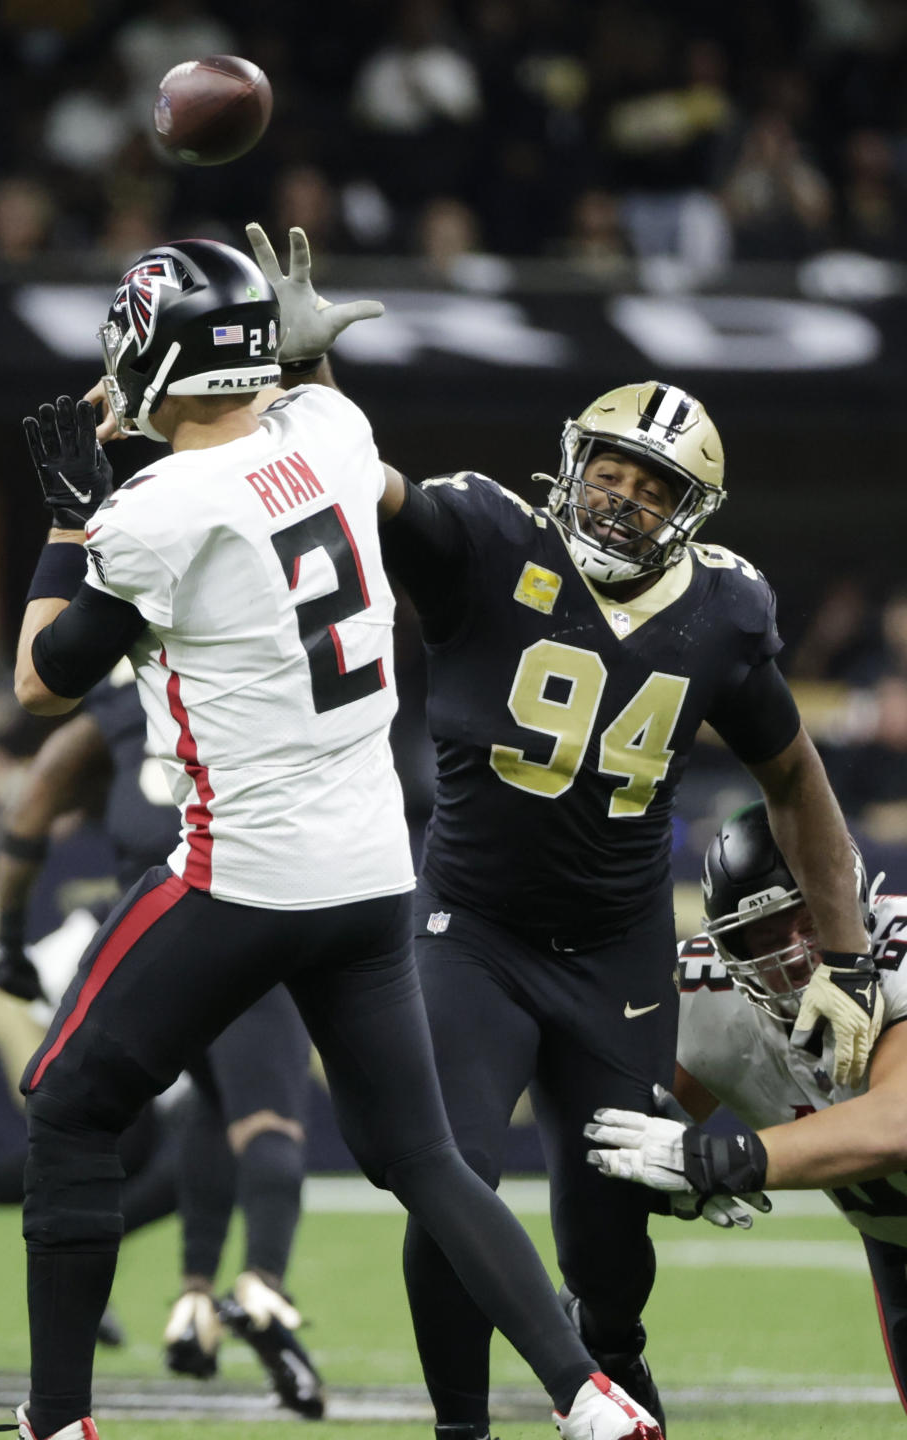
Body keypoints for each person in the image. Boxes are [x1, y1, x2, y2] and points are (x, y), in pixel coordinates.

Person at [3, 232, 663, 1440]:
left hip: (241, 868)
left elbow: (44, 680)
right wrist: (283, 367)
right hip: (371, 874)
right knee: (423, 1155)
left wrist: (64, 517)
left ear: (159, 357)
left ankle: (58, 1422)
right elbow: (302, 421)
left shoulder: (155, 510)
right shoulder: (336, 435)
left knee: (69, 1105)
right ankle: (591, 1398)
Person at [243, 222, 883, 1440]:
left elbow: (794, 773)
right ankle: (463, 1428)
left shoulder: (726, 612)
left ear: (691, 513)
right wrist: (307, 381)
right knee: (455, 1185)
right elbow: (357, 483)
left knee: (610, 1217)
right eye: (610, 470)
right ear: (571, 461)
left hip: (614, 945)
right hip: (469, 926)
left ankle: (614, 1358)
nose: (622, 497)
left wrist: (847, 959)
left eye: (654, 488)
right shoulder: (487, 537)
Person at [0, 663, 323, 1415]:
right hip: (230, 905)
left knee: (151, 1120)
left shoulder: (122, 691)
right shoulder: (246, 659)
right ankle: (263, 1285)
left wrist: (10, 936)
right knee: (268, 1112)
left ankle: (191, 1301)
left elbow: (39, 790)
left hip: (131, 938)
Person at [585, 799, 907, 1417]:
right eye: (760, 938)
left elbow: (896, 1122)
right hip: (895, 1242)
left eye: (807, 918)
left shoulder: (899, 952)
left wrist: (724, 1160)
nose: (791, 956)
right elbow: (624, 1131)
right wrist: (606, 1324)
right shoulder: (712, 994)